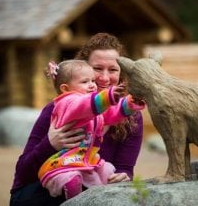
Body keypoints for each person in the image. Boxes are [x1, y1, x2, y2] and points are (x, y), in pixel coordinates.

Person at [10, 32, 144, 206]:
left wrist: (123, 176)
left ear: (121, 73)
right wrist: (49, 144)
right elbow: (23, 173)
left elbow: (125, 169)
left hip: (91, 187)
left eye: (112, 69)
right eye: (97, 69)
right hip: (38, 192)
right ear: (83, 69)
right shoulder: (58, 108)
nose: (104, 78)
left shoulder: (131, 118)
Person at [38, 59, 144, 199]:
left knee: (108, 171)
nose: (92, 85)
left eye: (92, 81)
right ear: (65, 88)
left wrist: (129, 103)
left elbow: (111, 114)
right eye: (85, 82)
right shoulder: (66, 103)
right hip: (67, 159)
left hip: (88, 159)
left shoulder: (92, 107)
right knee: (70, 178)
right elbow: (84, 105)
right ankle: (75, 200)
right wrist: (108, 96)